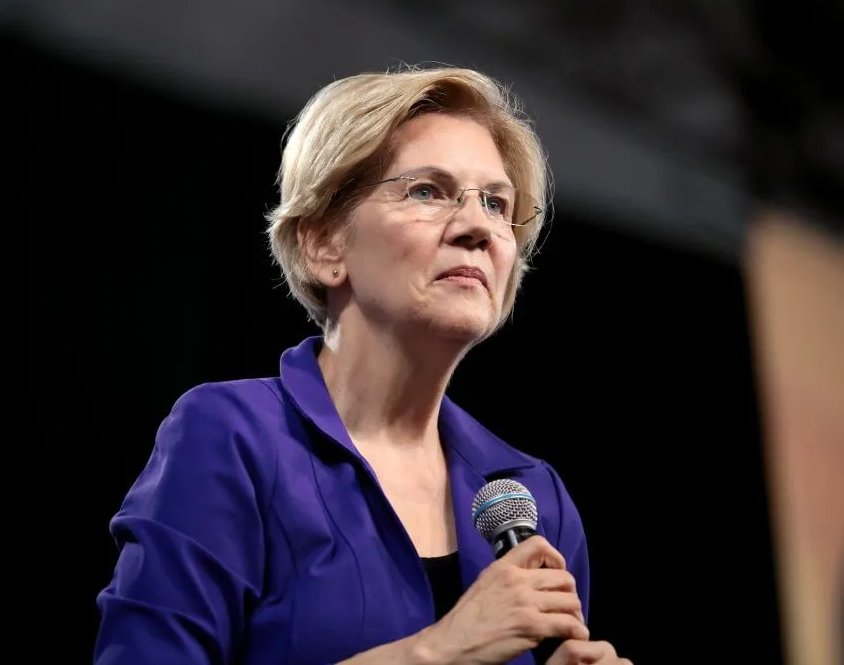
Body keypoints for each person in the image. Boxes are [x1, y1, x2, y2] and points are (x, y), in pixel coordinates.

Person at [93, 65, 631, 665]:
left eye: (497, 203)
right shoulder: (232, 437)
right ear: (324, 243)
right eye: (427, 190)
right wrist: (437, 652)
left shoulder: (534, 497)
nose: (479, 226)